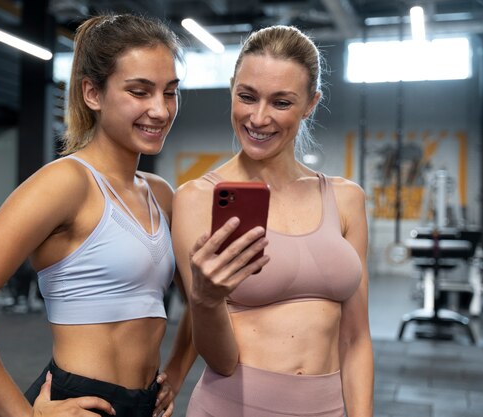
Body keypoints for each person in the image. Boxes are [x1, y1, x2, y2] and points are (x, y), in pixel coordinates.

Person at [0, 13, 195, 417]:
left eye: (169, 92)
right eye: (139, 91)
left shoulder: (160, 194)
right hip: (81, 400)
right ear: (92, 93)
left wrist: (174, 371)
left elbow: (204, 302)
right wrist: (22, 415)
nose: (159, 110)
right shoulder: (66, 182)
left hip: (145, 404)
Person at [172, 25, 374, 417]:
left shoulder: (346, 199)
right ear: (232, 89)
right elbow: (220, 359)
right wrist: (205, 299)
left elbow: (356, 339)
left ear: (311, 103)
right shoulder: (197, 199)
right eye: (247, 97)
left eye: (281, 102)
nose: (259, 118)